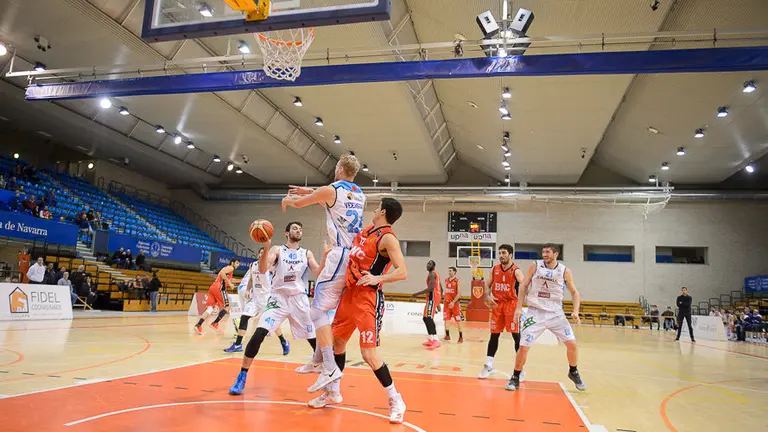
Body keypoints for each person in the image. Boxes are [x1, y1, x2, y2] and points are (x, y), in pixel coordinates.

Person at [312, 198, 408, 424]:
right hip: (349, 293)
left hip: (368, 298)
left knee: (368, 354)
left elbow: (402, 271)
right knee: (337, 341)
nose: (373, 209)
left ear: (383, 212)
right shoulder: (366, 231)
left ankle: (396, 399)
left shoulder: (387, 238)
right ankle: (333, 392)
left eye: (377, 207)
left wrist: (378, 278)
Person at [281, 154, 364, 390]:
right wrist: (308, 191)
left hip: (340, 256)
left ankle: (327, 365)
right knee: (327, 316)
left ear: (339, 169)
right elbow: (327, 199)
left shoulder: (331, 190)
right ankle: (318, 361)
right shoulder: (359, 193)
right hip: (355, 256)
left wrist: (289, 200)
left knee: (316, 312)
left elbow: (307, 202)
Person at [228, 222, 320, 396]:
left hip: (299, 300)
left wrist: (329, 259)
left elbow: (318, 270)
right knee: (258, 334)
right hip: (278, 298)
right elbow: (263, 269)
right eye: (294, 228)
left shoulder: (306, 253)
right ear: (286, 233)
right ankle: (242, 376)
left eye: (300, 229)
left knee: (314, 340)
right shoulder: (277, 250)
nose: (298, 230)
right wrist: (267, 246)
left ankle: (330, 380)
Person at [509, 244, 585, 392]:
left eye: (548, 252)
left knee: (572, 345)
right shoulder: (535, 266)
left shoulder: (564, 271)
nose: (544, 254)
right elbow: (523, 286)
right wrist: (519, 308)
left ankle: (573, 371)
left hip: (556, 313)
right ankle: (515, 377)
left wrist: (575, 311)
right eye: (543, 252)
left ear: (555, 254)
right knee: (523, 346)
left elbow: (575, 292)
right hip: (535, 312)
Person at [224, 248, 290, 355]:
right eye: (261, 253)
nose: (262, 255)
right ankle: (238, 344)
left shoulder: (270, 266)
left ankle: (284, 341)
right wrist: (247, 289)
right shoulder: (252, 265)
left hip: (266, 298)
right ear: (258, 254)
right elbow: (250, 279)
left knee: (272, 323)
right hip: (255, 298)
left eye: (265, 253)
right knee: (244, 317)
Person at [478, 244, 525, 379]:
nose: (501, 255)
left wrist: (519, 306)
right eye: (499, 253)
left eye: (504, 253)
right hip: (497, 305)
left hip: (511, 305)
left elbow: (524, 287)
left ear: (510, 255)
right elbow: (486, 285)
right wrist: (488, 295)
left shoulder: (516, 271)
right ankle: (488, 365)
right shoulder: (495, 269)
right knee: (494, 335)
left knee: (516, 336)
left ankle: (520, 369)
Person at [194, 258, 240, 335]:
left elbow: (231, 279)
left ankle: (198, 325)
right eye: (237, 263)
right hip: (219, 288)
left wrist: (241, 280)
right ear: (232, 263)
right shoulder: (231, 268)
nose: (238, 265)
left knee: (210, 308)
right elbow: (222, 273)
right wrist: (230, 284)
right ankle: (215, 323)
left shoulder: (228, 269)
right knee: (227, 307)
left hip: (213, 287)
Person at [412, 260, 442, 349]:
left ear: (434, 266)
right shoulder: (435, 274)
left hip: (432, 298)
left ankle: (436, 340)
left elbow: (431, 288)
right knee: (425, 318)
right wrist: (438, 302)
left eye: (430, 264)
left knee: (429, 318)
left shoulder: (432, 274)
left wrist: (416, 294)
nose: (427, 265)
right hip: (433, 299)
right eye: (427, 263)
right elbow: (441, 288)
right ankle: (431, 338)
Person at [442, 266, 464, 343]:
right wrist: (444, 298)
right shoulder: (446, 280)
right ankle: (447, 336)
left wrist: (453, 302)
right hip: (446, 304)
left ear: (454, 272)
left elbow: (459, 293)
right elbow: (446, 291)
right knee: (446, 320)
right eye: (449, 271)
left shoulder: (457, 281)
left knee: (458, 321)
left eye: (451, 271)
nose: (449, 272)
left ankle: (461, 337)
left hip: (454, 304)